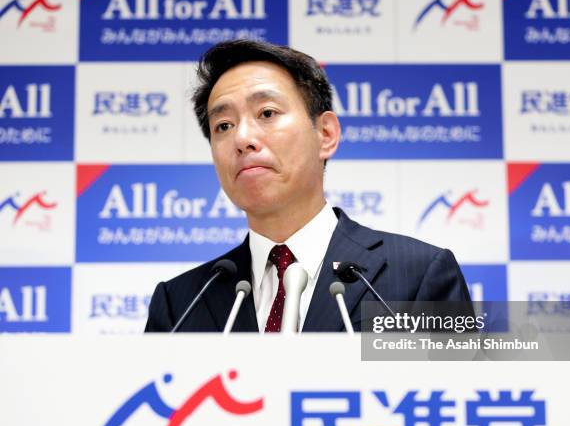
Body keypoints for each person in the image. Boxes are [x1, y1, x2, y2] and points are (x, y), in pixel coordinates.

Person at [145, 40, 471, 333]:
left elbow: (453, 395)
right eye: (224, 126)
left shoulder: (416, 275)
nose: (242, 139)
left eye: (267, 113)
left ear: (325, 134)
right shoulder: (181, 304)